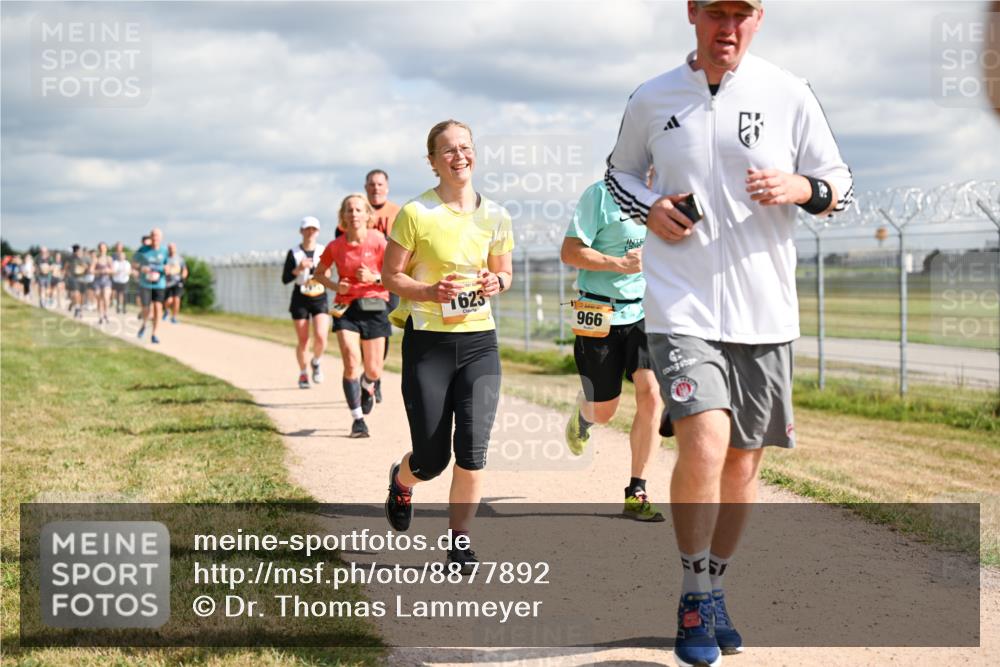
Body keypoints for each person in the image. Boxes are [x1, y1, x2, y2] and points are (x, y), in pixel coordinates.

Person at [604, 2, 854, 665]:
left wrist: (800, 186)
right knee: (705, 440)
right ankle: (692, 594)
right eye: (717, 11)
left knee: (744, 461)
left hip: (765, 312)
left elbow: (840, 184)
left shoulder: (789, 93)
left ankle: (716, 587)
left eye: (742, 13)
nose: (728, 26)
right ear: (693, 12)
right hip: (681, 306)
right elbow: (619, 173)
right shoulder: (653, 97)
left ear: (759, 18)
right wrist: (651, 206)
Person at [382, 120, 513, 573]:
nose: (460, 156)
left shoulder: (496, 215)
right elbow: (391, 276)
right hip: (429, 345)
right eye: (449, 150)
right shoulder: (416, 213)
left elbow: (505, 272)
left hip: (479, 343)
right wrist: (429, 292)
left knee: (473, 452)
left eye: (465, 147)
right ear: (433, 161)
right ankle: (403, 481)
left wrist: (498, 282)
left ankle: (460, 543)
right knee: (432, 459)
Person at [561, 180, 665, 522]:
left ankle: (637, 490)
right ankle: (584, 415)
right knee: (604, 411)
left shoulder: (668, 197)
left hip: (647, 310)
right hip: (600, 311)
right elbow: (570, 252)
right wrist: (619, 263)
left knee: (652, 393)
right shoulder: (601, 195)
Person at [314, 194, 391, 438]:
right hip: (346, 308)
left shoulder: (378, 240)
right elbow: (319, 273)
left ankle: (368, 385)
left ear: (368, 215)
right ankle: (358, 420)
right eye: (349, 210)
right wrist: (336, 287)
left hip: (374, 305)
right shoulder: (335, 246)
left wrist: (374, 278)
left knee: (374, 370)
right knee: (350, 360)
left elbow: (396, 273)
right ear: (343, 216)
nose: (354, 214)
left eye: (359, 210)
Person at [365, 168, 403, 404]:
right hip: (362, 284)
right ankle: (369, 373)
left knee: (381, 329)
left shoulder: (396, 213)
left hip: (386, 281)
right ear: (366, 188)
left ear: (386, 188)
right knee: (363, 330)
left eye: (380, 184)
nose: (376, 188)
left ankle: (374, 375)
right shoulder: (357, 210)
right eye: (372, 184)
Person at [281, 216, 330, 389]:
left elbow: (329, 274)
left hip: (319, 295)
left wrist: (321, 271)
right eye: (307, 229)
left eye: (313, 229)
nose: (310, 232)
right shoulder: (294, 253)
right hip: (300, 296)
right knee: (303, 339)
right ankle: (303, 373)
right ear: (301, 231)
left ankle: (316, 361)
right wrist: (299, 268)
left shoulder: (323, 250)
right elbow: (285, 278)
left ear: (318, 232)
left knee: (321, 336)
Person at [135, 228, 168, 343]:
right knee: (146, 308)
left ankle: (154, 334)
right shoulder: (143, 250)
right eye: (153, 235)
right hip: (145, 284)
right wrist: (141, 268)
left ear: (161, 238)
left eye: (157, 236)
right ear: (150, 237)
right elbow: (134, 263)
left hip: (159, 284)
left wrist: (166, 269)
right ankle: (144, 325)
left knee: (158, 307)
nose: (155, 238)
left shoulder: (165, 251)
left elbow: (170, 266)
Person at [163, 243, 188, 323]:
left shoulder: (180, 259)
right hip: (168, 282)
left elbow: (184, 270)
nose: (171, 249)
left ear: (175, 248)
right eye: (170, 248)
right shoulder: (165, 258)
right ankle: (166, 311)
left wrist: (183, 277)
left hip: (177, 282)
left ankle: (174, 317)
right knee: (169, 301)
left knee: (177, 299)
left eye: (173, 247)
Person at [93, 242, 113, 324]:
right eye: (101, 248)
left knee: (106, 297)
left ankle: (106, 314)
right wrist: (99, 271)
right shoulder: (96, 259)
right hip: (97, 281)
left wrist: (108, 271)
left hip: (106, 281)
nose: (102, 250)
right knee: (99, 299)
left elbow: (113, 270)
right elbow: (91, 270)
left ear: (106, 249)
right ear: (99, 249)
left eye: (104, 248)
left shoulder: (109, 259)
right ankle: (100, 316)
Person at [111, 249, 132, 314]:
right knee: (118, 294)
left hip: (125, 281)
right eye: (120, 256)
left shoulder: (127, 263)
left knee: (124, 294)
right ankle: (118, 307)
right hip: (117, 281)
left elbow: (129, 271)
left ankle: (124, 308)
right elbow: (113, 271)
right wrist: (118, 272)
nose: (121, 257)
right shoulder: (115, 262)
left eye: (122, 256)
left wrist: (127, 272)